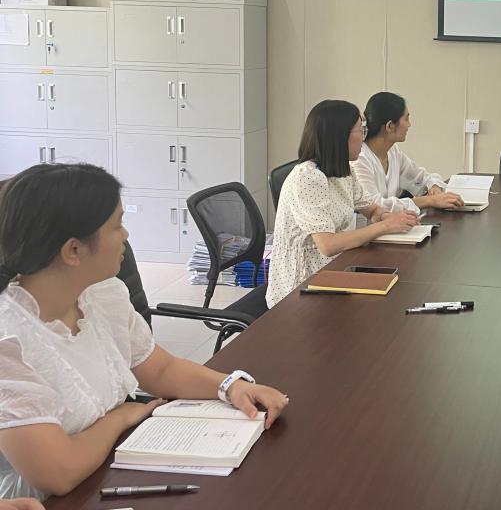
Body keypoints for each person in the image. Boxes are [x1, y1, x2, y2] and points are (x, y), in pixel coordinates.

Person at [0, 164, 288, 500]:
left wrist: (231, 387)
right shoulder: (9, 340)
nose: (126, 235)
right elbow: (57, 473)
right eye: (117, 225)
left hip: (105, 467)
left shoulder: (100, 294)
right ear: (73, 251)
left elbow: (160, 369)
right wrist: (119, 418)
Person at [267, 100, 418, 307]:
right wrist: (385, 226)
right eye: (360, 131)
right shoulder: (307, 178)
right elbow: (328, 245)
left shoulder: (344, 171)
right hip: (301, 286)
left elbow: (372, 209)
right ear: (339, 136)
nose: (364, 138)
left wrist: (387, 217)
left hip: (334, 270)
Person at [352, 92, 464, 213]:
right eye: (406, 119)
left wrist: (434, 187)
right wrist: (430, 200)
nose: (409, 125)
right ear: (390, 126)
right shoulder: (360, 159)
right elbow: (374, 205)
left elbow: (422, 177)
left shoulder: (393, 152)